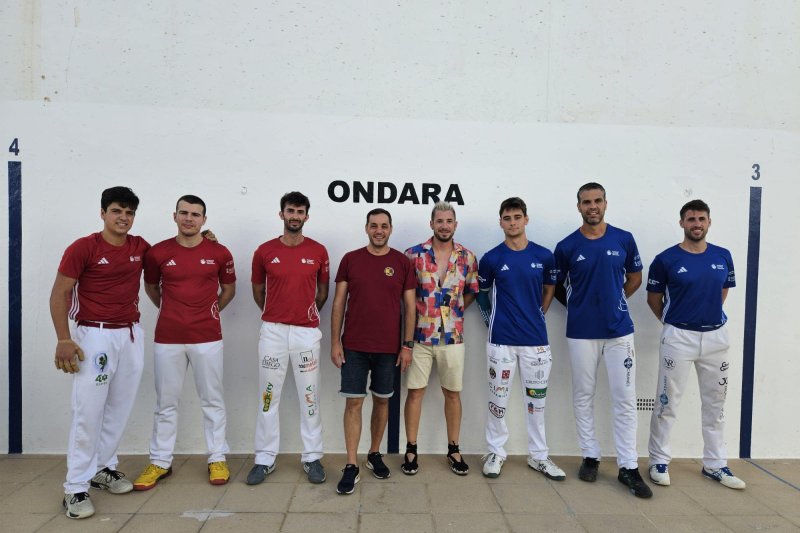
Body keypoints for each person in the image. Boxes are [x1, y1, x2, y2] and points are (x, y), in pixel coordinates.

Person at [50, 186, 149, 519]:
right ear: (103, 212)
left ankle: (103, 469)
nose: (123, 218)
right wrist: (64, 339)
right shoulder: (84, 247)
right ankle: (75, 488)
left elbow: (171, 255)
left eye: (129, 213)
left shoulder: (139, 247)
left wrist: (204, 239)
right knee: (88, 411)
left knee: (119, 407)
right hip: (95, 335)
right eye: (117, 211)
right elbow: (60, 293)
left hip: (131, 335)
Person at [553, 182, 652, 498]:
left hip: (619, 332)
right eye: (586, 202)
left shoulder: (624, 239)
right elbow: (555, 286)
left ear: (605, 204)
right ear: (578, 206)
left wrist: (616, 299)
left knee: (624, 398)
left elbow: (635, 277)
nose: (592, 206)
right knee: (583, 394)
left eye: (597, 201)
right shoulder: (566, 246)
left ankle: (628, 467)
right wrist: (579, 306)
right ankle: (590, 456)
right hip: (581, 333)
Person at [133, 195, 236, 490]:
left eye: (195, 214)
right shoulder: (157, 253)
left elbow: (228, 289)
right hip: (168, 339)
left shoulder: (220, 252)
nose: (189, 218)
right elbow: (152, 288)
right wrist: (172, 311)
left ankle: (217, 457)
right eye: (184, 213)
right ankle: (160, 461)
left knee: (212, 400)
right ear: (174, 216)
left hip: (207, 338)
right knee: (166, 404)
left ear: (204, 219)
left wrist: (210, 311)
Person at [646, 200, 745, 489]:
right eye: (691, 219)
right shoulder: (666, 259)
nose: (696, 223)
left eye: (701, 218)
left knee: (716, 405)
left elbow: (722, 291)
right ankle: (658, 460)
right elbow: (654, 299)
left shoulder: (723, 256)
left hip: (716, 337)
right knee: (667, 402)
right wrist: (675, 322)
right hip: (679, 337)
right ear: (682, 223)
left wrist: (706, 316)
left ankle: (715, 464)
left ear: (709, 222)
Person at [475, 197, 566, 481]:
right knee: (497, 402)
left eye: (517, 217)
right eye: (507, 218)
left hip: (536, 342)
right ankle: (496, 452)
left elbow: (550, 287)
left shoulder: (544, 256)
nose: (512, 222)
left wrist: (539, 313)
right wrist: (492, 322)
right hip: (501, 342)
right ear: (500, 222)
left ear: (526, 219)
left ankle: (539, 456)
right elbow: (481, 294)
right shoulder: (491, 258)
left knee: (536, 403)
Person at [330, 208, 416, 495]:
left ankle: (374, 454)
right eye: (374, 225)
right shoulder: (350, 260)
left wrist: (407, 346)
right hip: (353, 346)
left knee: (382, 402)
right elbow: (339, 303)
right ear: (366, 228)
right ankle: (352, 465)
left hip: (388, 349)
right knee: (353, 404)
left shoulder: (402, 263)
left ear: (391, 229)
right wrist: (335, 342)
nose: (379, 230)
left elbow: (410, 307)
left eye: (384, 226)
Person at [246, 191, 330, 485]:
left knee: (310, 397)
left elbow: (322, 293)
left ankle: (312, 457)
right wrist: (278, 314)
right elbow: (258, 291)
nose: (295, 216)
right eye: (290, 211)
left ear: (307, 216)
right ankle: (264, 458)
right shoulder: (264, 251)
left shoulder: (319, 251)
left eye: (300, 211)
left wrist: (302, 316)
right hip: (273, 331)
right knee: (268, 396)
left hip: (306, 332)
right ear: (281, 214)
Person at [402, 201, 479, 476]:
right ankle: (411, 449)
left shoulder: (468, 257)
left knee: (452, 394)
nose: (444, 225)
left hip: (453, 337)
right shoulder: (412, 255)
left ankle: (453, 449)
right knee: (415, 393)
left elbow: (471, 291)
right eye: (439, 221)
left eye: (449, 221)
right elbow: (404, 297)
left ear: (455, 225)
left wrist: (453, 312)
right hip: (420, 335)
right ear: (431, 223)